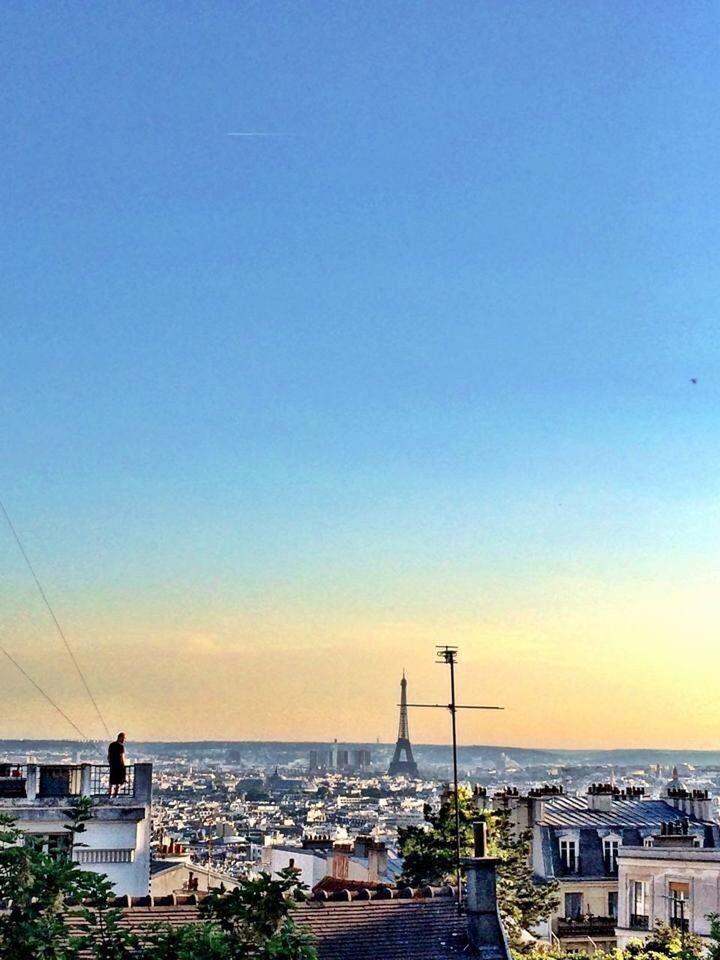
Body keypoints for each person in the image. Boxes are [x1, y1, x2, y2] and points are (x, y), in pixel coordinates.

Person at [108, 732, 126, 797]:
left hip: (112, 766)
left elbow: (109, 756)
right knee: (118, 782)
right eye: (123, 738)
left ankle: (109, 795)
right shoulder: (121, 746)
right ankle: (115, 796)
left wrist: (110, 762)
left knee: (111, 782)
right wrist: (123, 765)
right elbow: (121, 757)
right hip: (119, 766)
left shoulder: (111, 745)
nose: (124, 740)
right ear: (120, 737)